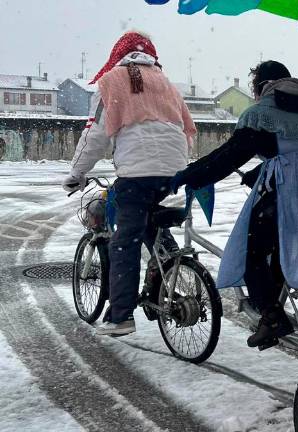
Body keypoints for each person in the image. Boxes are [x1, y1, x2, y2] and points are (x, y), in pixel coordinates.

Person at [170, 61, 298, 350]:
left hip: (285, 197)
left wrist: (188, 175)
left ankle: (271, 317)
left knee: (253, 252)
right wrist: (260, 171)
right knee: (280, 248)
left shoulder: (263, 114)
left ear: (261, 87)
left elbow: (227, 157)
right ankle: (273, 308)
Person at [62, 31, 196, 336]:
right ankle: (170, 271)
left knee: (125, 242)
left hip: (136, 176)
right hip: (175, 173)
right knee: (155, 224)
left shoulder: (111, 81)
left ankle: (121, 316)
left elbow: (94, 136)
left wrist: (75, 175)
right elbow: (187, 129)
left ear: (118, 54)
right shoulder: (167, 84)